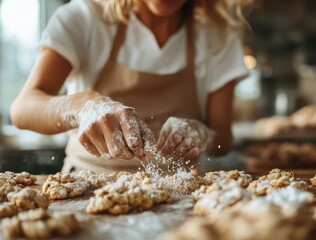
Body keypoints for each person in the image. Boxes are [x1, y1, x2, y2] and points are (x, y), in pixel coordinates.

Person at [10, 0, 251, 173]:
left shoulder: (219, 35)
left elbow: (223, 138)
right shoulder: (84, 18)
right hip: (86, 189)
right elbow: (23, 109)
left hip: (183, 196)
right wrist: (84, 106)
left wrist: (205, 135)